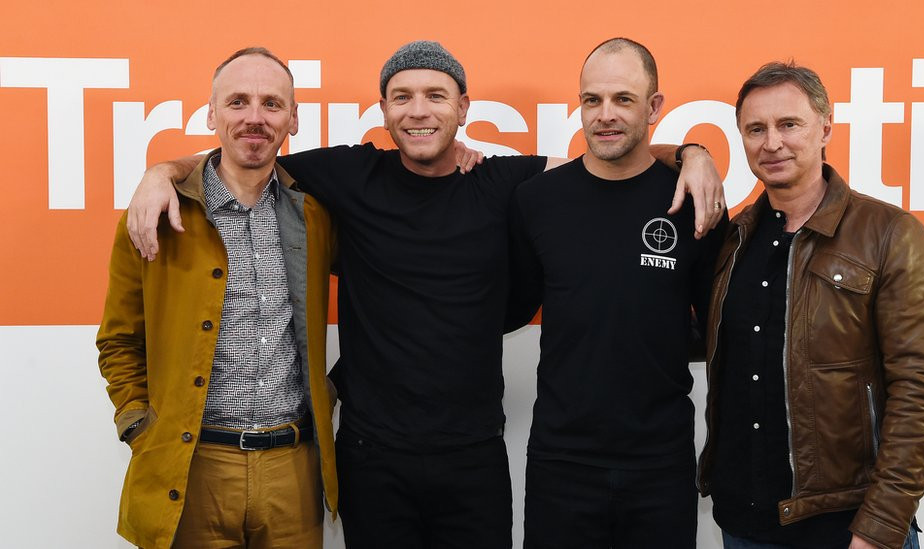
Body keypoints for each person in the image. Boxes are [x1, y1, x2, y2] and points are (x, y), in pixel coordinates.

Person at [123, 40, 725, 548]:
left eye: (436, 96)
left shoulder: (505, 182)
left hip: (475, 457)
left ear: (463, 107)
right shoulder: (350, 176)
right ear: (382, 109)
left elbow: (609, 161)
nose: (418, 111)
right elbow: (247, 153)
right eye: (402, 97)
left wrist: (694, 154)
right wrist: (162, 172)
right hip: (371, 455)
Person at [697, 61, 924, 549]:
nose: (771, 143)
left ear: (826, 126)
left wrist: (880, 526)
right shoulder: (732, 241)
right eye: (755, 129)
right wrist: (690, 152)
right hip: (743, 525)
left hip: (848, 528)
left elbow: (920, 391)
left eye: (788, 124)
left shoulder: (888, 233)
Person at [96, 47, 337, 549]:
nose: (255, 118)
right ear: (210, 113)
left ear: (293, 118)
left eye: (272, 104)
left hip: (292, 472)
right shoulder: (153, 215)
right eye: (237, 102)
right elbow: (119, 339)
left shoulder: (317, 214)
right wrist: (140, 425)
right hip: (191, 470)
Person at [506, 38, 726, 549]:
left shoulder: (694, 202)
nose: (605, 115)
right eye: (592, 100)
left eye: (623, 99)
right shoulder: (536, 200)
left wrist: (695, 152)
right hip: (561, 463)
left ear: (654, 107)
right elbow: (511, 306)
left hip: (661, 464)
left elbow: (717, 327)